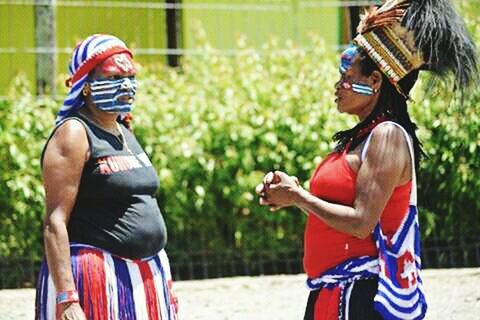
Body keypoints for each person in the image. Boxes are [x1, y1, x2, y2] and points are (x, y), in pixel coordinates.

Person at [256, 0, 477, 319]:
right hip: (334, 291)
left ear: (375, 82)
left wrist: (298, 197)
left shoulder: (387, 136)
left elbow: (361, 223)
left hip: (363, 296)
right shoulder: (361, 137)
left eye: (346, 76)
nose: (337, 85)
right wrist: (291, 191)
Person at [35, 34, 178, 320]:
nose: (126, 85)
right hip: (96, 278)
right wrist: (67, 298)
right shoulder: (74, 133)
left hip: (142, 276)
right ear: (85, 86)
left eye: (131, 76)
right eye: (114, 77)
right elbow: (55, 222)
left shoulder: (124, 132)